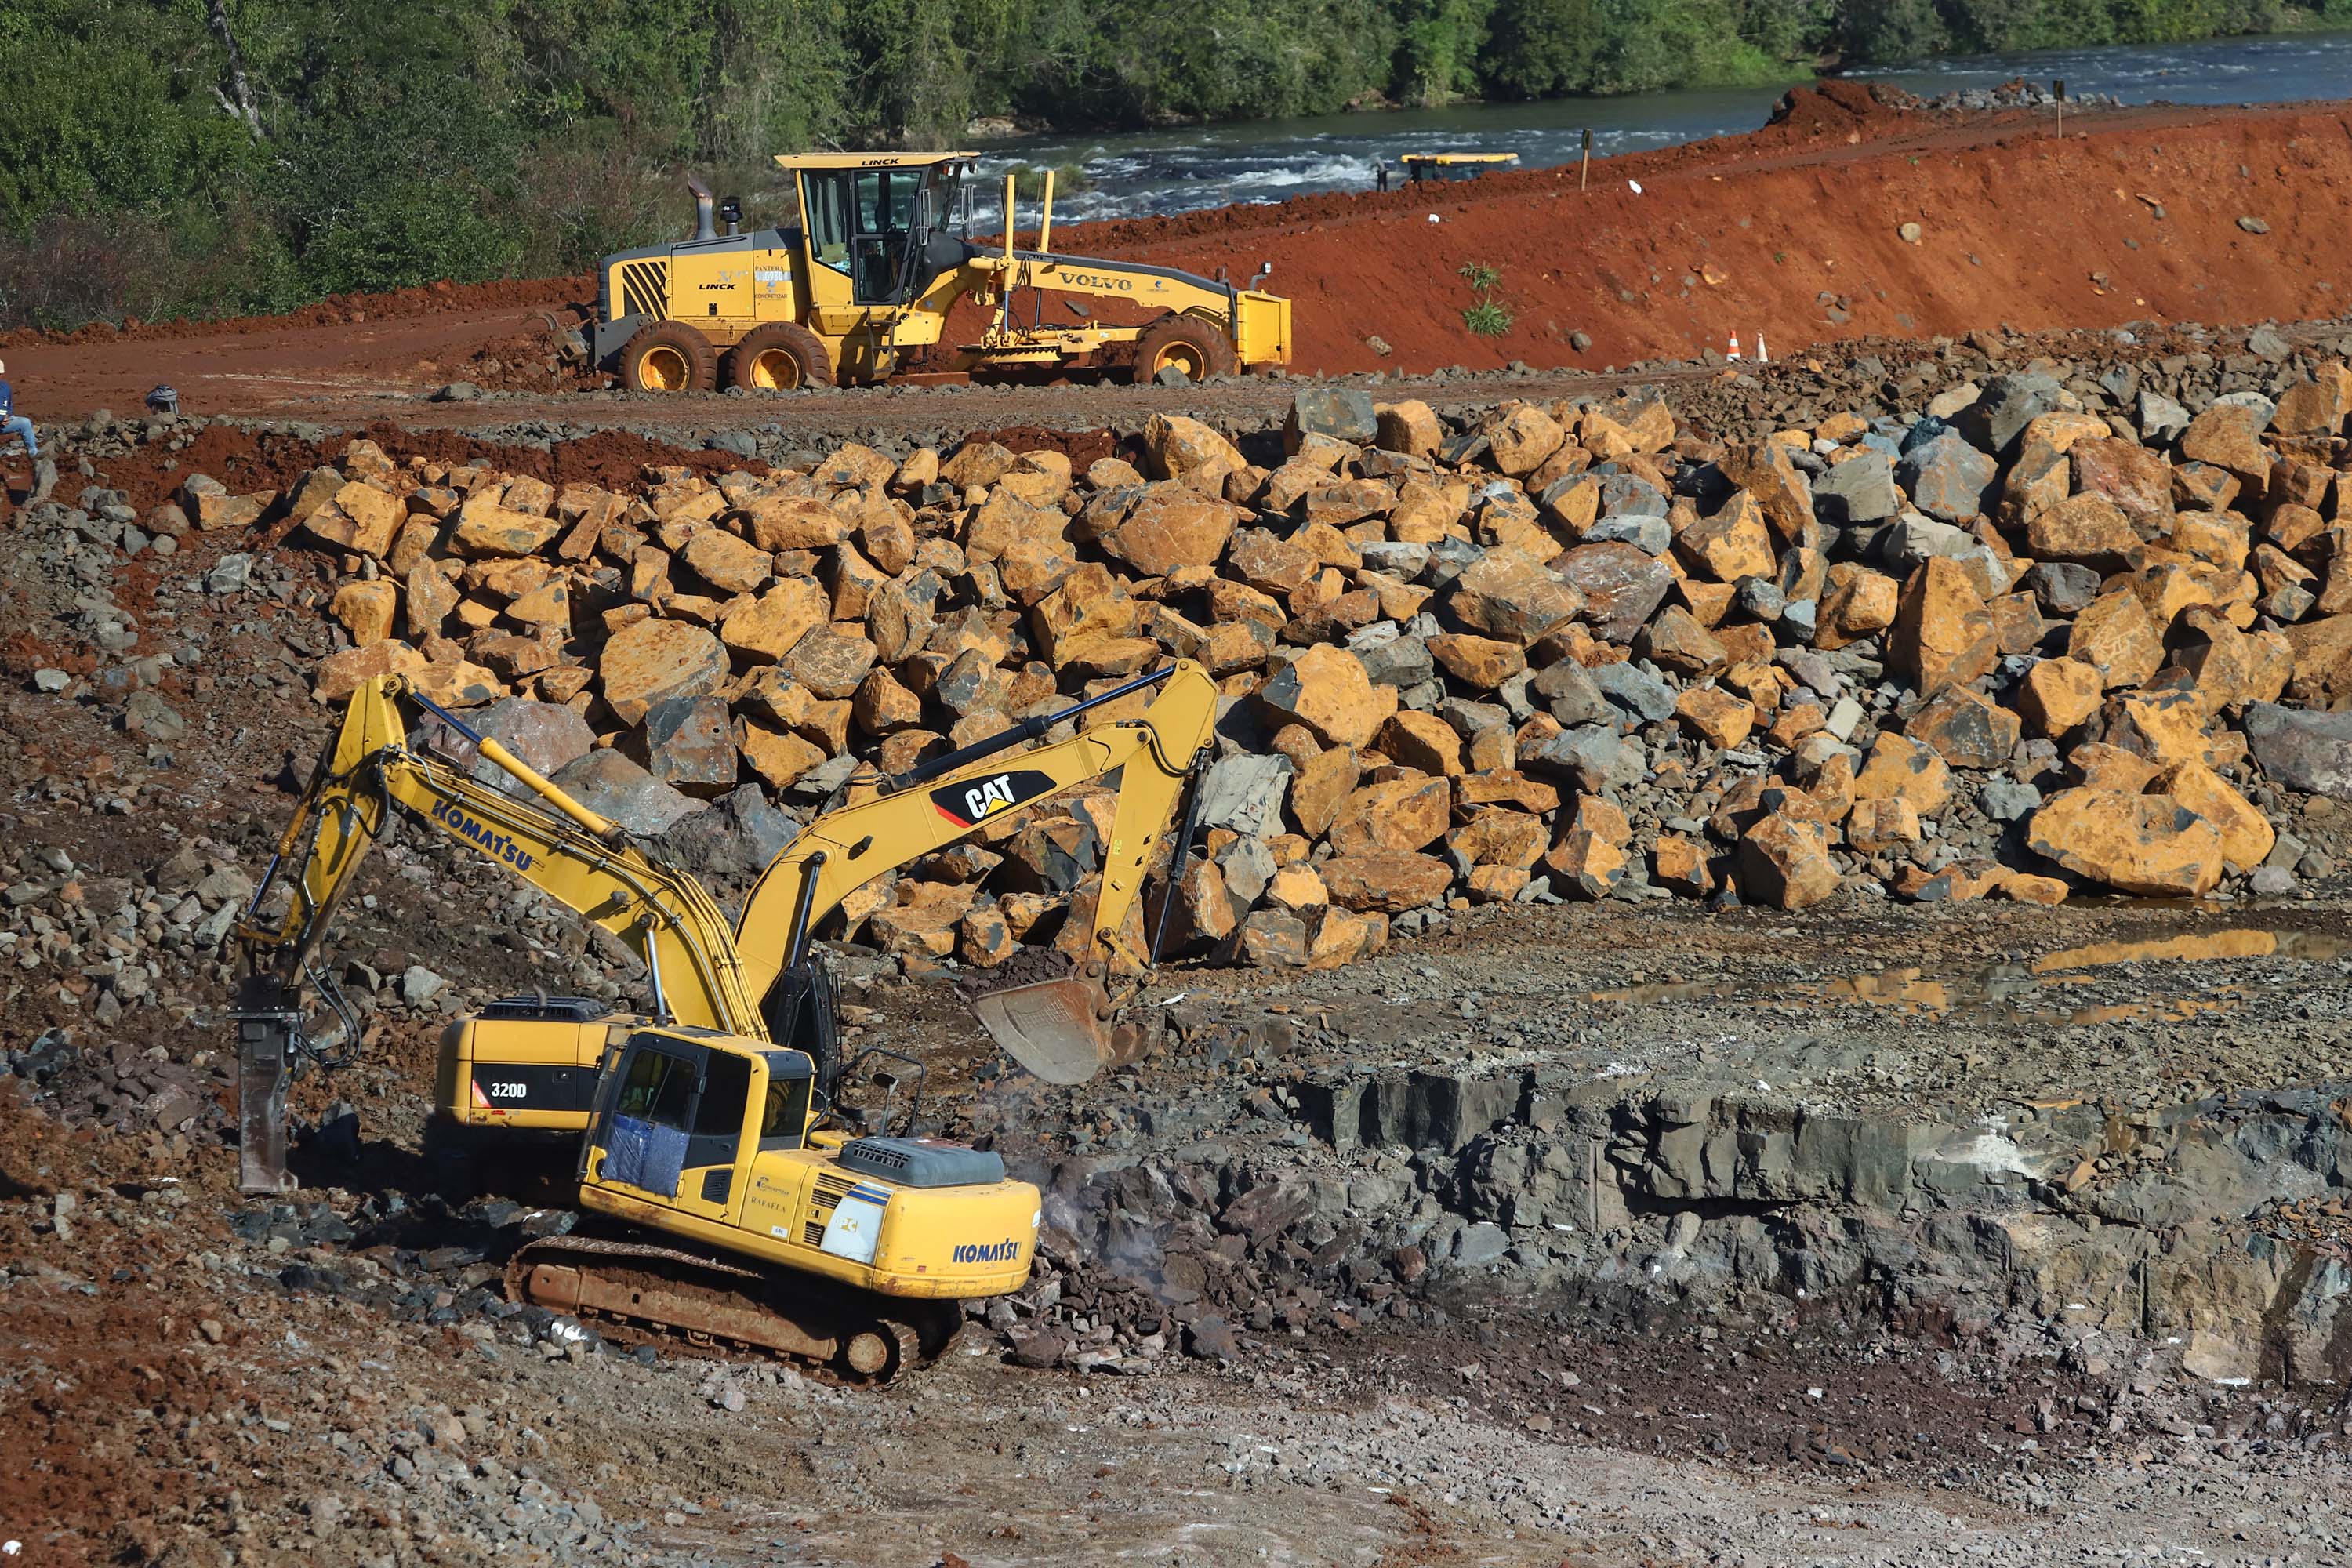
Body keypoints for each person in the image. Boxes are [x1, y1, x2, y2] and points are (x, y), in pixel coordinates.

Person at [0, 359, 36, 464]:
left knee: (25, 422)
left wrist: (7, 416)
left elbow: (9, 406)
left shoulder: (5, 388)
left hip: (3, 423)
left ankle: (34, 454)